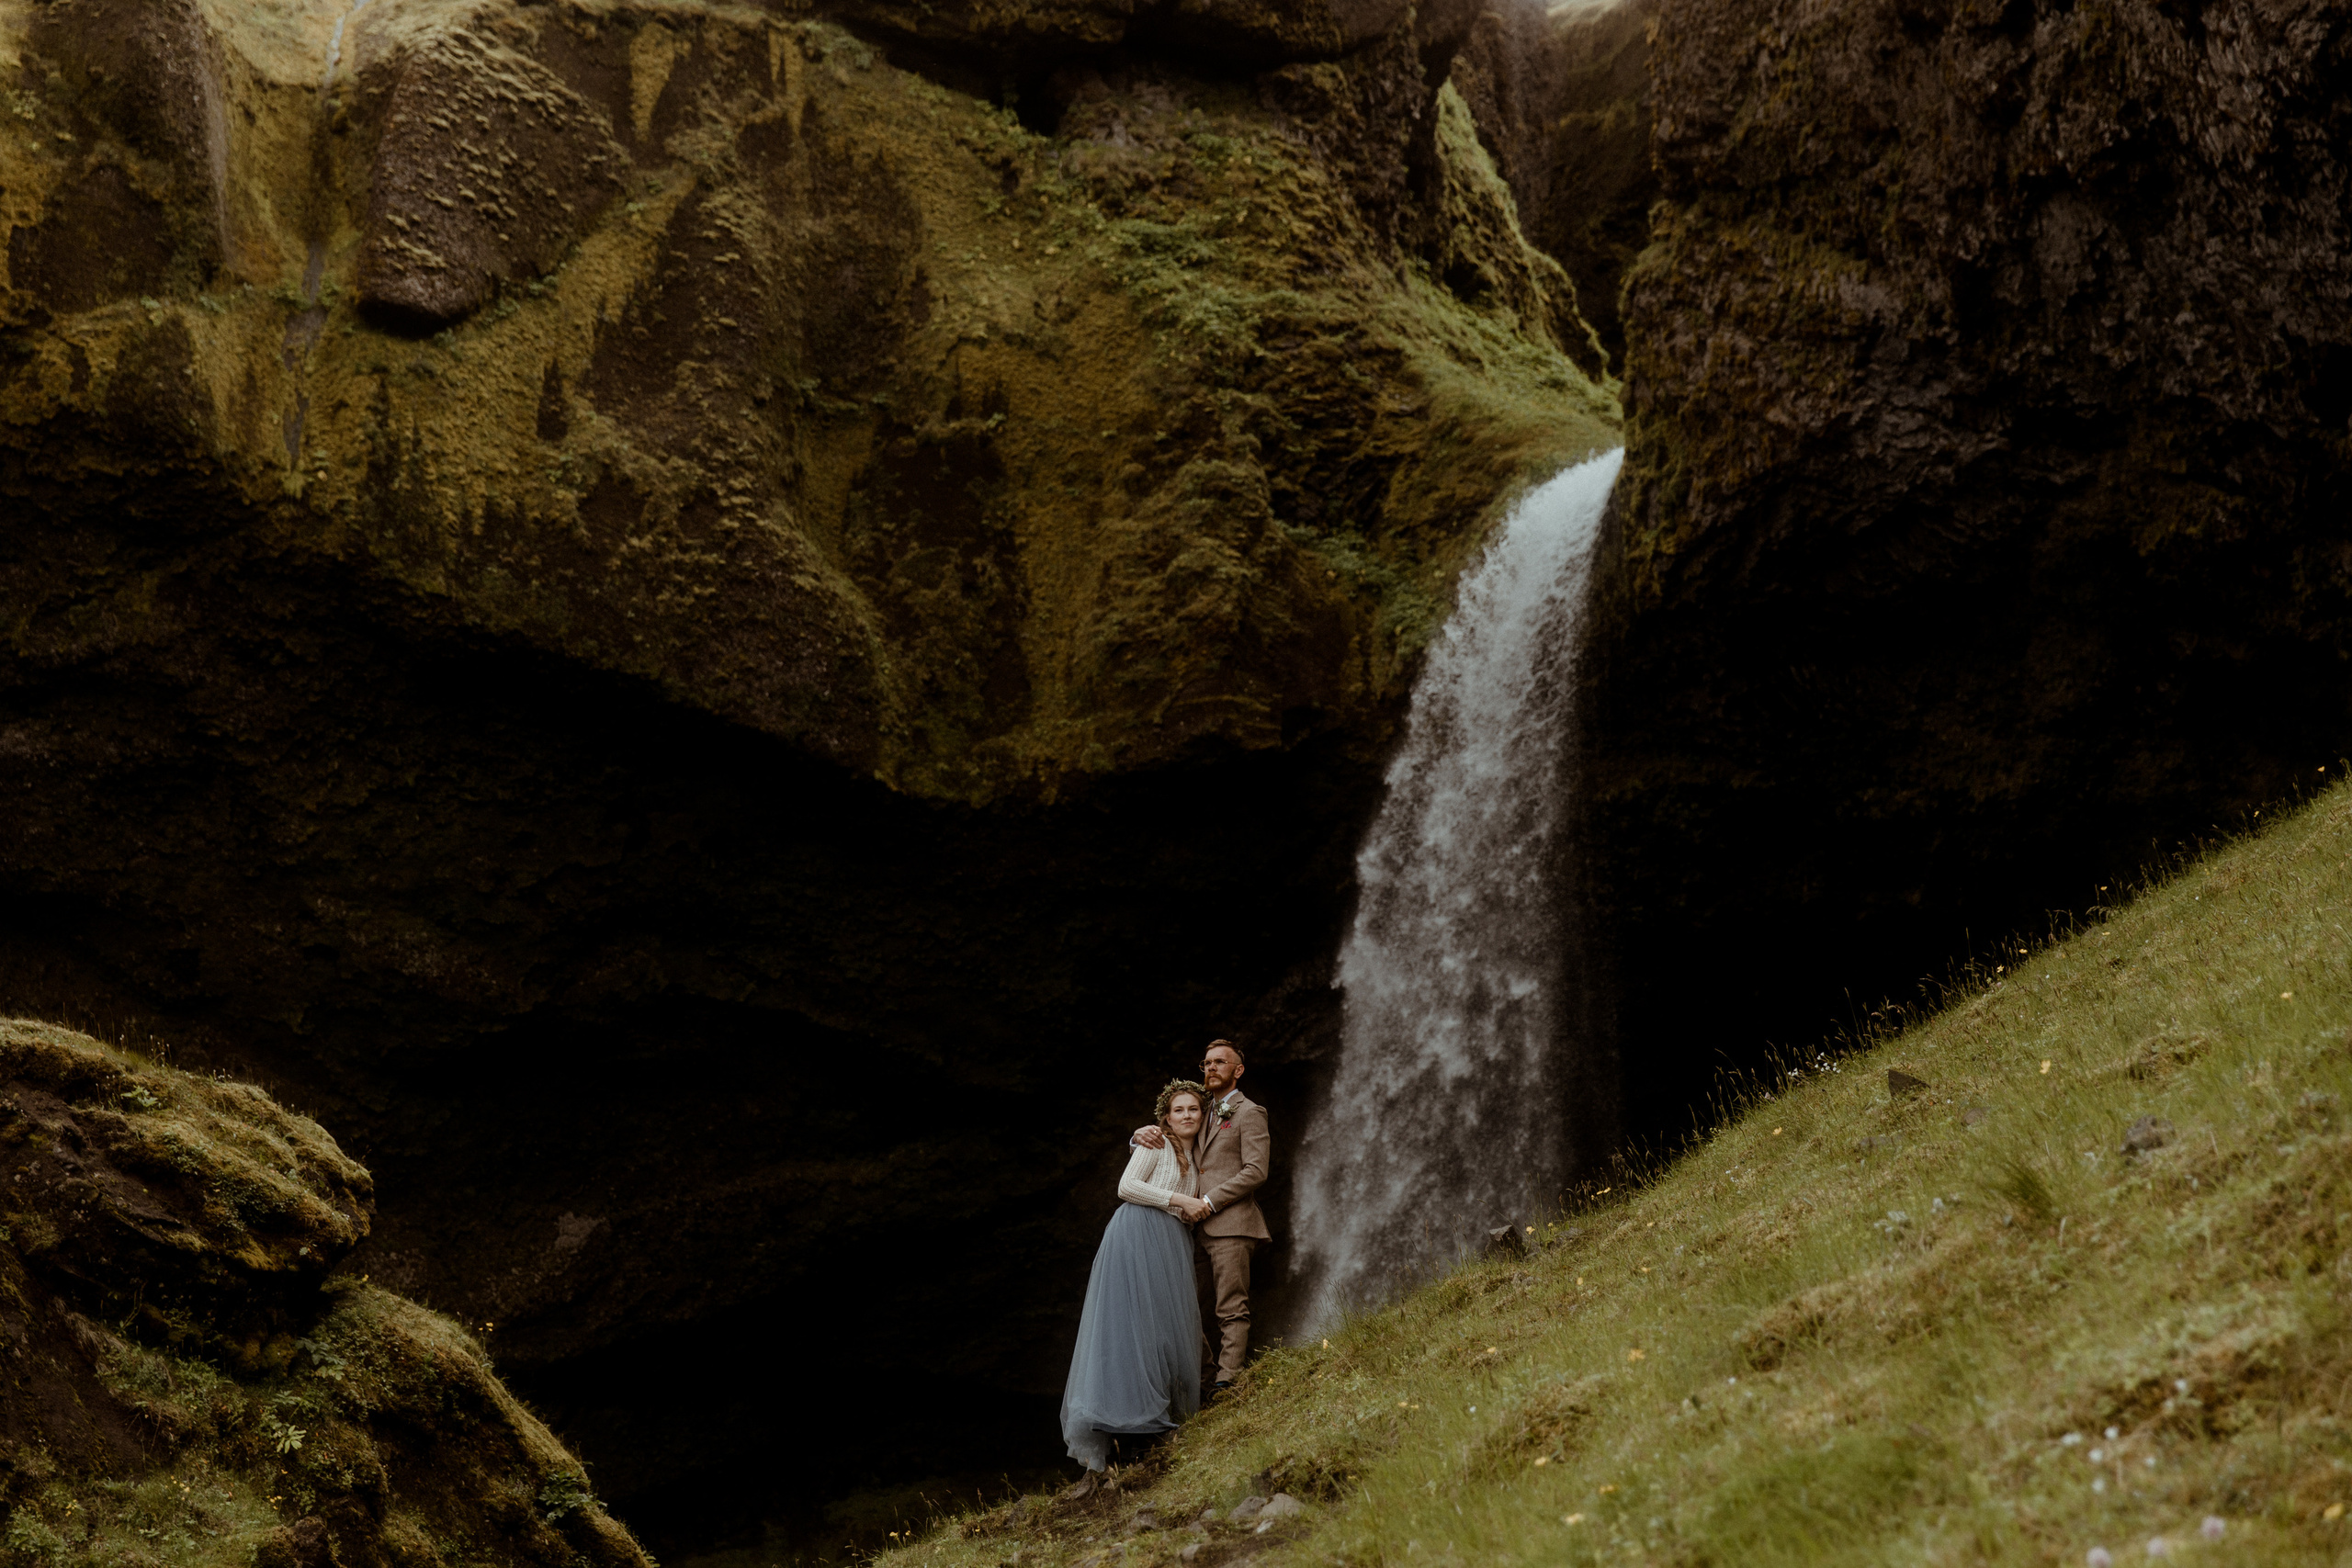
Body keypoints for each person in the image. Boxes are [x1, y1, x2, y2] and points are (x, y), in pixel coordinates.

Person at [1058, 1080, 1212, 1478]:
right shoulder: (1155, 1140)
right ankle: (1124, 1430)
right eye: (1179, 1110)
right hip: (1139, 1233)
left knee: (1163, 1328)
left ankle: (1153, 1426)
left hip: (1170, 1241)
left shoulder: (1197, 1155)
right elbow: (1126, 1187)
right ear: (1166, 1115)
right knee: (1132, 1328)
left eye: (1193, 1109)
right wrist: (1181, 1201)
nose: (1187, 1116)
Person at [1132, 1039, 1269, 1399]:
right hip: (1194, 1230)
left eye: (1220, 1062)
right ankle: (1207, 1378)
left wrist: (1208, 1200)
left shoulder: (1250, 1112)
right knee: (1184, 1307)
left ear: (1237, 1070)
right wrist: (1138, 1137)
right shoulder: (1201, 1111)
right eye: (1206, 1063)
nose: (1211, 1068)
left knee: (1230, 1305)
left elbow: (1256, 1171)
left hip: (1233, 1224)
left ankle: (1228, 1381)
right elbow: (1176, 1140)